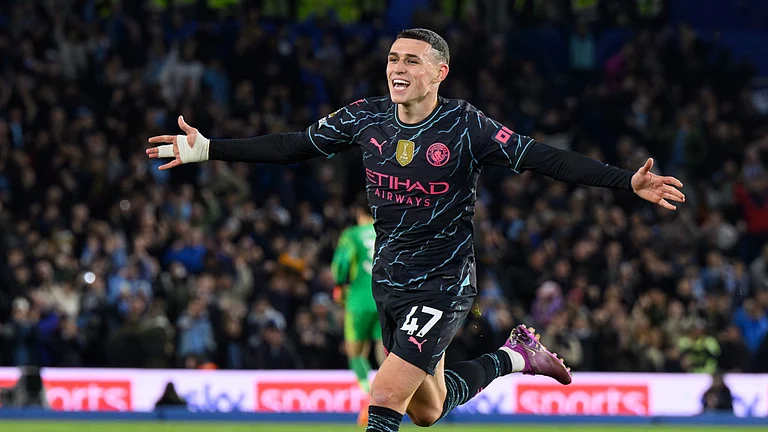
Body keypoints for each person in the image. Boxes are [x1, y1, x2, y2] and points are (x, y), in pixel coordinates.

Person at [146, 28, 685, 431]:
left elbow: (545, 159)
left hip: (444, 282)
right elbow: (292, 147)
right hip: (391, 282)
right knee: (428, 410)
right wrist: (211, 148)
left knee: (382, 400)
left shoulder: (466, 126)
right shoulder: (364, 118)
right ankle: (517, 356)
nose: (397, 68)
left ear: (440, 73)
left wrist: (624, 182)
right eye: (392, 58)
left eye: (411, 60)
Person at [331, 201, 386, 426]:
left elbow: (341, 264)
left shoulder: (351, 234)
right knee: (384, 353)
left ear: (357, 213)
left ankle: (369, 398)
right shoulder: (386, 231)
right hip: (384, 299)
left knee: (355, 353)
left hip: (358, 301)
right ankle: (387, 398)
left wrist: (339, 284)